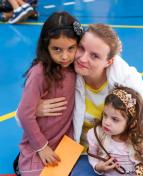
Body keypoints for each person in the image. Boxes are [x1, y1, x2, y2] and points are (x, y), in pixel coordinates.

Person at [26, 23, 143, 176]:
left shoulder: (126, 78)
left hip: (123, 154)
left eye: (95, 55)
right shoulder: (64, 70)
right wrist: (34, 110)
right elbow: (22, 117)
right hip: (81, 152)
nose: (82, 58)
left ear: (109, 61)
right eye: (82, 48)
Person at [16, 11, 83, 176]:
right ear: (46, 47)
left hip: (65, 144)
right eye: (57, 49)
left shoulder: (78, 67)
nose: (65, 56)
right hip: (39, 145)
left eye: (71, 48)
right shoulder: (39, 73)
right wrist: (42, 147)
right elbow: (25, 114)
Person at [87, 85, 143, 175]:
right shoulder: (97, 135)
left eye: (115, 119)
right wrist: (98, 167)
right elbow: (92, 156)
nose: (106, 122)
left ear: (132, 124)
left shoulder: (141, 140)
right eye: (105, 115)